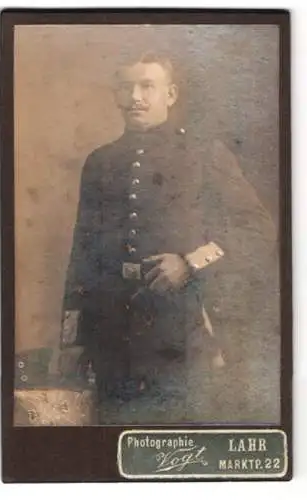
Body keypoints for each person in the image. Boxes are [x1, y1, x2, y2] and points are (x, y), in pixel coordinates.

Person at [60, 52, 276, 424]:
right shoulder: (100, 162)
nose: (135, 97)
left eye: (147, 86)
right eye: (125, 87)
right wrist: (71, 339)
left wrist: (191, 263)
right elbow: (83, 251)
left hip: (178, 330)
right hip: (110, 331)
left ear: (171, 94)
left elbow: (257, 227)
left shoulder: (203, 154)